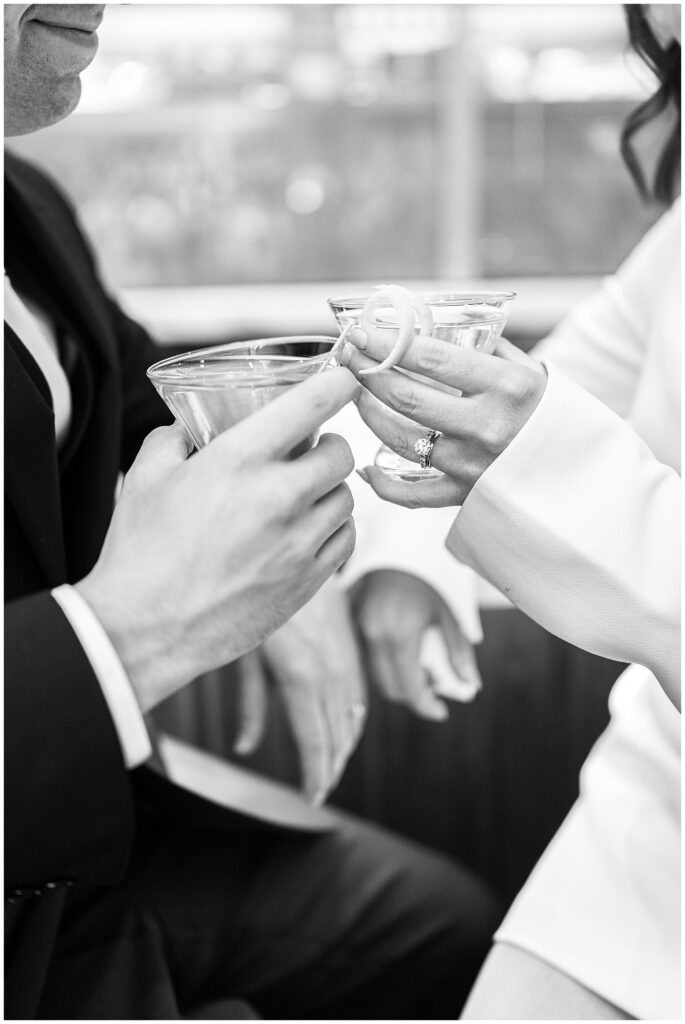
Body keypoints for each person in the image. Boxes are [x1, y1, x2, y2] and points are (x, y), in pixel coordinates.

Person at [4, 5, 502, 1018]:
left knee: (440, 924)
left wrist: (304, 567)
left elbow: (155, 413)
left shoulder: (27, 203)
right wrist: (132, 634)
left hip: (96, 826)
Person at [345, 4, 681, 1018]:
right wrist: (409, 554)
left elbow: (547, 443)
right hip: (650, 820)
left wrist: (540, 460)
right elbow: (560, 387)